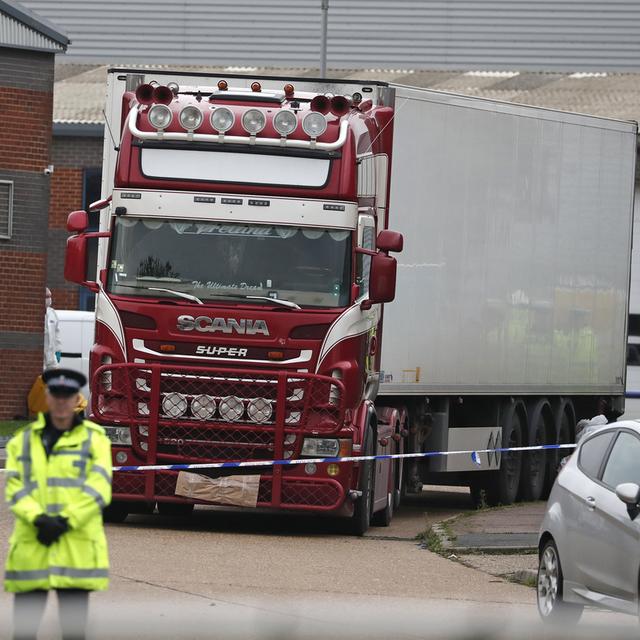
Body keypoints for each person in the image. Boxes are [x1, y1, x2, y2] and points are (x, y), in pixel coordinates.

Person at [4, 368, 112, 640]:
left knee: (73, 632)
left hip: (75, 546)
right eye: (56, 394)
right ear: (47, 397)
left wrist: (66, 520)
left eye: (68, 395)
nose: (62, 400)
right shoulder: (24, 440)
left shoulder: (95, 439)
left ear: (77, 398)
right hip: (33, 546)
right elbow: (16, 488)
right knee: (23, 633)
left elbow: (98, 488)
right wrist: (38, 518)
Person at [44, 288, 62, 370]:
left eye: (50, 296)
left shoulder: (52, 313)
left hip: (51, 355)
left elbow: (57, 333)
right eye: (47, 297)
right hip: (41, 356)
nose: (49, 299)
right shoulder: (35, 313)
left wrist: (58, 350)